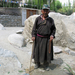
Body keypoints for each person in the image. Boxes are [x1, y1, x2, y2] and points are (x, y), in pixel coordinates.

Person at [31, 4, 56, 71]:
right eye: (44, 10)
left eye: (46, 10)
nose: (45, 12)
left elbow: (53, 29)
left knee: (47, 52)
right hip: (38, 38)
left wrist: (52, 35)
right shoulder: (38, 19)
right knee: (37, 51)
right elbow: (34, 28)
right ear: (41, 11)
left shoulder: (51, 20)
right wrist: (33, 35)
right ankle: (37, 63)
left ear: (48, 12)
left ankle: (46, 64)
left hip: (47, 39)